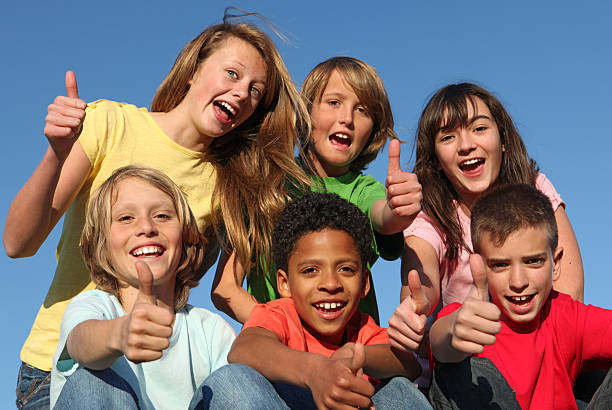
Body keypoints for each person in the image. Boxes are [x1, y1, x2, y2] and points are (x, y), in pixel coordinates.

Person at [5, 11, 310, 408]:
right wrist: (55, 155)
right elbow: (17, 243)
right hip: (60, 367)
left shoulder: (229, 187)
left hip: (159, 376)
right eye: (232, 74)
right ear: (193, 70)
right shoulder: (110, 124)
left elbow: (194, 288)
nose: (241, 93)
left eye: (255, 91)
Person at [388, 83, 583, 377]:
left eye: (479, 129)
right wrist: (414, 309)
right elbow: (420, 286)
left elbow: (571, 292)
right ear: (436, 161)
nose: (466, 145)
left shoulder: (535, 188)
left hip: (543, 356)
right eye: (449, 137)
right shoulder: (430, 217)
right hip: (470, 368)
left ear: (502, 139)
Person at [212, 56, 422, 324]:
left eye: (363, 110)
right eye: (333, 103)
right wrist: (281, 334)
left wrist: (397, 209)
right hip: (277, 357)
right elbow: (225, 288)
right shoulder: (263, 185)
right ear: (306, 111)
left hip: (351, 357)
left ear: (373, 131)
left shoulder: (364, 190)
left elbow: (383, 215)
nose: (347, 118)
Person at [199, 193, 431, 409]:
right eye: (310, 270)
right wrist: (315, 372)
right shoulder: (280, 313)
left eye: (346, 269)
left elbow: (407, 364)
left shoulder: (362, 329)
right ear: (284, 284)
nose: (330, 284)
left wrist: (358, 356)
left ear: (364, 283)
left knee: (399, 389)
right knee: (231, 383)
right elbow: (244, 348)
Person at [50, 166, 236, 409]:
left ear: (186, 236)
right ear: (101, 245)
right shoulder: (94, 307)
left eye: (162, 216)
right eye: (126, 218)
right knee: (91, 379)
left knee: (237, 378)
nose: (147, 227)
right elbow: (79, 344)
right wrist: (120, 333)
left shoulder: (208, 330)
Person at [428, 183, 612, 410]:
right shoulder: (469, 319)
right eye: (500, 265)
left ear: (556, 263)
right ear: (480, 266)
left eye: (533, 261)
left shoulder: (563, 316)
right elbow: (440, 341)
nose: (518, 282)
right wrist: (452, 331)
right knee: (466, 372)